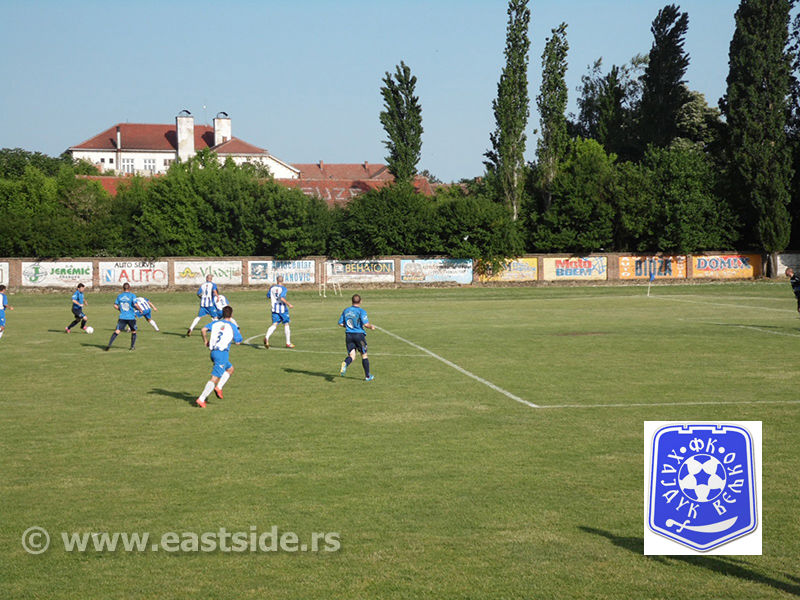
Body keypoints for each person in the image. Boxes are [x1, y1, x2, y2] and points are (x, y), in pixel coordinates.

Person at [197, 305, 243, 408]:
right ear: (232, 315)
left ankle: (219, 388)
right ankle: (201, 399)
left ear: (222, 314)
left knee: (230, 369)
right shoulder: (232, 326)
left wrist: (205, 341)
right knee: (215, 378)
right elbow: (238, 342)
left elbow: (203, 330)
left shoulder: (215, 323)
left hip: (213, 352)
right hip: (222, 353)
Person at [338, 294, 376, 381]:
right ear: (360, 301)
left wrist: (349, 327)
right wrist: (371, 327)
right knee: (364, 355)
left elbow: (340, 323)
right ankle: (367, 376)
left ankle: (345, 363)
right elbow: (366, 324)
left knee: (352, 356)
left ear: (352, 301)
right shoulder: (361, 311)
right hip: (359, 336)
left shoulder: (346, 310)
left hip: (349, 335)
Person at [105, 283, 138, 351]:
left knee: (117, 331)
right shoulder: (132, 295)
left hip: (122, 317)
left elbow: (115, 305)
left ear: (123, 288)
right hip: (131, 317)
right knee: (133, 331)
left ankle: (110, 344)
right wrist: (140, 310)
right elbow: (135, 304)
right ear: (129, 287)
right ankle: (132, 346)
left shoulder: (119, 296)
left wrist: (121, 310)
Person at [264, 275, 294, 348]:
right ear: (282, 281)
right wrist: (289, 304)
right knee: (286, 324)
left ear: (277, 280)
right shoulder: (283, 289)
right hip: (282, 309)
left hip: (274, 309)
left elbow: (268, 296)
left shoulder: (272, 288)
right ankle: (288, 343)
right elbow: (282, 298)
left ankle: (267, 337)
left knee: (274, 324)